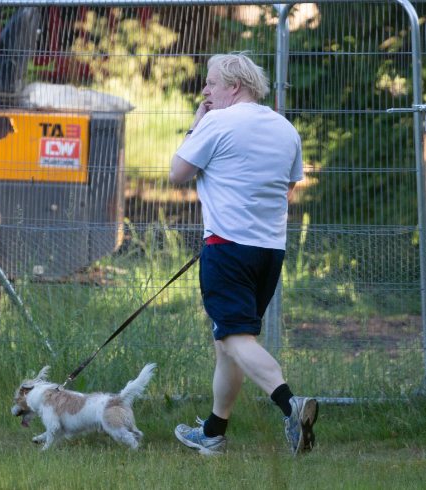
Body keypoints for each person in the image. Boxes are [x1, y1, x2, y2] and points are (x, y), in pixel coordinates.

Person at [169, 52, 318, 456]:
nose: (205, 90)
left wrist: (195, 123)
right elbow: (288, 189)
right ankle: (214, 432)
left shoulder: (216, 122)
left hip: (226, 248)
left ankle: (291, 404)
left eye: (212, 83)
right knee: (228, 343)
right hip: (269, 252)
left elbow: (177, 173)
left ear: (234, 85)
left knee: (234, 338)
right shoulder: (286, 129)